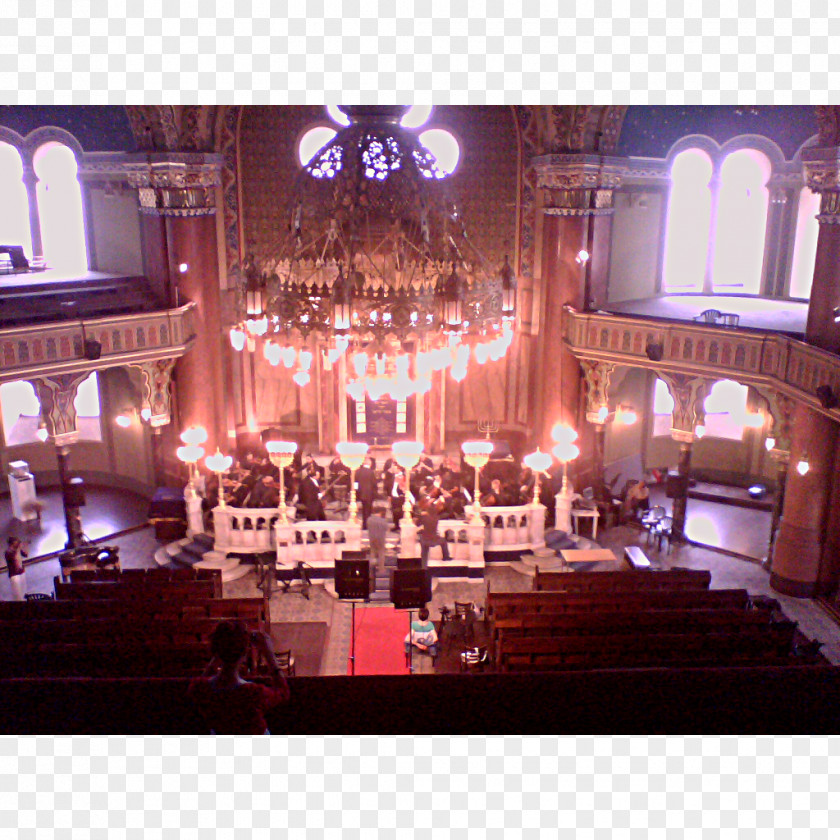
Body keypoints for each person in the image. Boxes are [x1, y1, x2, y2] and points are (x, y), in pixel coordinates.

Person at [188, 620, 290, 735]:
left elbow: (199, 684)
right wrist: (269, 654)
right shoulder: (252, 693)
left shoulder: (200, 688)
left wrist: (220, 652)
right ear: (245, 652)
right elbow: (283, 692)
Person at [416, 495, 450, 565]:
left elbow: (417, 524)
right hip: (434, 539)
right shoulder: (436, 518)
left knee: (424, 550)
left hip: (425, 540)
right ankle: (446, 557)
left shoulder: (424, 517)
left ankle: (423, 564)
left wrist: (420, 515)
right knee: (444, 541)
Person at [366, 502, 390, 576]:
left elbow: (368, 527)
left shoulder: (369, 519)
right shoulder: (383, 521)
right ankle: (381, 569)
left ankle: (371, 569)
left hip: (372, 538)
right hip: (380, 539)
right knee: (381, 554)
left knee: (372, 553)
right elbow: (387, 529)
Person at [355, 456, 379, 528]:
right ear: (370, 464)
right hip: (369, 494)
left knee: (363, 510)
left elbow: (355, 483)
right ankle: (367, 525)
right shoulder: (371, 472)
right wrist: (375, 493)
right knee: (368, 510)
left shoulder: (358, 471)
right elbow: (374, 484)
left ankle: (364, 525)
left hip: (360, 493)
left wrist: (356, 492)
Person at [4, 537, 28, 601]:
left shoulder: (17, 550)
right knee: (17, 594)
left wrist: (25, 546)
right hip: (14, 575)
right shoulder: (8, 552)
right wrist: (18, 550)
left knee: (24, 593)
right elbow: (14, 560)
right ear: (12, 543)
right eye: (16, 543)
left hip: (21, 572)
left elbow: (26, 555)